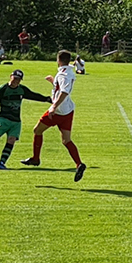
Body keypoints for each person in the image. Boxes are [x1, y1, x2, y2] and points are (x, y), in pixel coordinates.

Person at [24, 50, 87, 181]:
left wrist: (53, 106)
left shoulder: (64, 74)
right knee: (66, 140)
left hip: (58, 111)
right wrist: (53, 81)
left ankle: (35, 158)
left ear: (58, 60)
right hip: (68, 111)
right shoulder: (68, 71)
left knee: (37, 130)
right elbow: (61, 87)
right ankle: (79, 164)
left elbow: (64, 91)